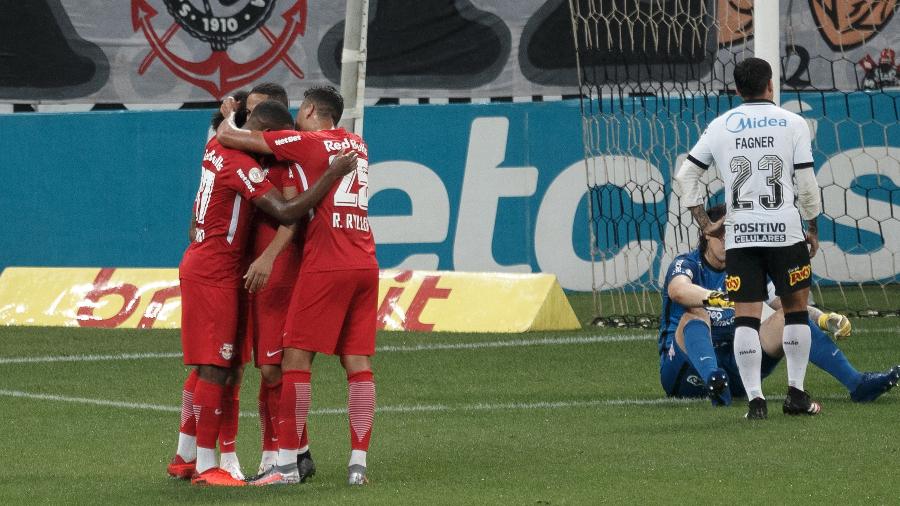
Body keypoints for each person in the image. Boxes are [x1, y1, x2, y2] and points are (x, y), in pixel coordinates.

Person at [167, 100, 358, 486]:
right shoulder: (243, 167)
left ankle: (190, 457)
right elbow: (288, 214)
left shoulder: (215, 149)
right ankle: (207, 467)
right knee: (215, 369)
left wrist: (229, 117)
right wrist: (331, 175)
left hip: (208, 264)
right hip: (217, 273)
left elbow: (196, 213)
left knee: (222, 366)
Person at [216, 86, 378, 486]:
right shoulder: (357, 143)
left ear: (308, 110)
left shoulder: (305, 143)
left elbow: (228, 139)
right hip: (366, 260)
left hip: (326, 264)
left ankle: (287, 465)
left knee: (293, 363)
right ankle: (358, 464)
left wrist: (230, 115)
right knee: (358, 365)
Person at [675, 57, 824, 419]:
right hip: (785, 232)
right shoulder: (793, 123)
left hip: (741, 235)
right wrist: (813, 226)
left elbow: (685, 175)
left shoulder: (720, 125)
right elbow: (805, 180)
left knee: (746, 317)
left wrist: (704, 222)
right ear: (770, 85)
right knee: (795, 312)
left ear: (737, 90)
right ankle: (796, 395)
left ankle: (756, 402)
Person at [659, 205, 900, 406]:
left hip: (736, 366)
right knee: (695, 314)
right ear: (705, 235)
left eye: (730, 233)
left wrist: (822, 319)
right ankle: (714, 380)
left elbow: (785, 303)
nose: (725, 240)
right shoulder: (687, 263)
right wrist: (715, 297)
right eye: (719, 234)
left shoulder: (747, 267)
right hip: (684, 371)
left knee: (790, 316)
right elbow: (678, 290)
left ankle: (858, 384)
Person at [239, 83, 315, 480]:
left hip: (281, 271)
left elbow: (293, 215)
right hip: (262, 270)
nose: (247, 125)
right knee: (269, 370)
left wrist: (267, 257)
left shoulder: (287, 161)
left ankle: (281, 456)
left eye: (253, 117)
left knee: (277, 370)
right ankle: (291, 452)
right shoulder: (255, 160)